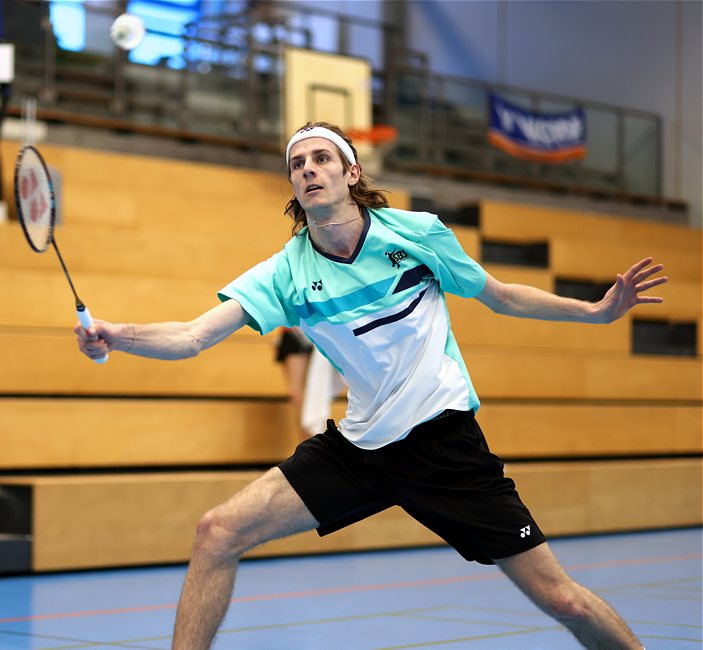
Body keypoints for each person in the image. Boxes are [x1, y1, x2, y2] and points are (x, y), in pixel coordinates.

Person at [75, 121, 665, 649]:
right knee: (216, 532)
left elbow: (503, 296)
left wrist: (595, 312)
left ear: (351, 171)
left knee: (561, 599)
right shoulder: (285, 272)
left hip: (445, 447)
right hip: (359, 450)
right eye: (297, 165)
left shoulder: (417, 234)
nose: (308, 169)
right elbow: (191, 336)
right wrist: (116, 334)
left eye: (321, 158)